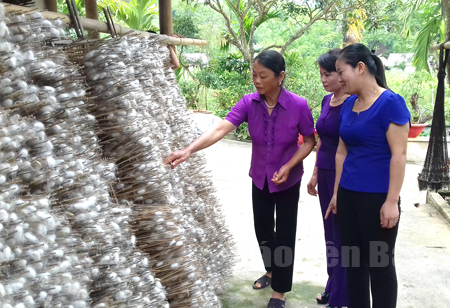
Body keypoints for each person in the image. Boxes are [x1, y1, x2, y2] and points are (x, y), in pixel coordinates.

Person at [163, 50, 315, 308]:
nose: (256, 80)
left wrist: (289, 166)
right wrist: (188, 149)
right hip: (260, 177)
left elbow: (310, 141)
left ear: (280, 77)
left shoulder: (298, 105)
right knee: (263, 229)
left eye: (262, 76)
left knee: (285, 233)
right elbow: (221, 128)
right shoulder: (249, 103)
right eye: (254, 74)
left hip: (287, 180)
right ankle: (271, 270)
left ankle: (279, 291)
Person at [325, 43, 410, 308]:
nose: (338, 79)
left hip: (377, 200)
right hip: (349, 197)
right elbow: (341, 152)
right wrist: (337, 193)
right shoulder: (349, 104)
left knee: (380, 266)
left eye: (341, 72)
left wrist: (391, 201)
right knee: (354, 265)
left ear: (360, 68)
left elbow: (400, 155)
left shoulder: (390, 103)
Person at [307, 49, 348, 308]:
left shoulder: (352, 103)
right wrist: (313, 174)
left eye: (328, 74)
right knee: (329, 235)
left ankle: (342, 296)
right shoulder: (326, 100)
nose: (323, 79)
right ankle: (332, 286)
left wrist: (335, 189)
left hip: (341, 175)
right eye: (321, 74)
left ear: (341, 74)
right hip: (324, 172)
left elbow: (347, 146)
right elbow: (321, 140)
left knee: (342, 236)